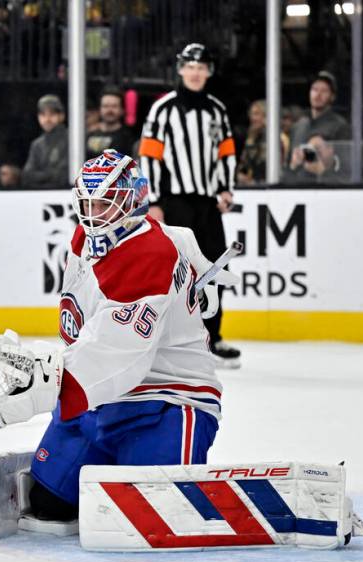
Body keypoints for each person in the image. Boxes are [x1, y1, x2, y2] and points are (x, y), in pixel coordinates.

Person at [0, 150, 223, 520]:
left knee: (148, 517)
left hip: (165, 400)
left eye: (105, 204)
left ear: (134, 202)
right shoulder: (87, 238)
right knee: (48, 505)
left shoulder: (149, 255)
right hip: (98, 403)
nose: (93, 214)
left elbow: (117, 353)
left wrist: (37, 391)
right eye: (87, 203)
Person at [138, 43, 240, 368]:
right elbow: (149, 157)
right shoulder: (163, 110)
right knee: (175, 271)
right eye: (190, 67)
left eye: (202, 67)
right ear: (180, 69)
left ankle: (213, 336)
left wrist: (225, 189)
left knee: (214, 267)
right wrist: (154, 201)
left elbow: (226, 153)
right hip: (175, 202)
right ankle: (169, 340)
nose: (196, 73)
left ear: (208, 71)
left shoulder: (217, 110)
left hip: (208, 204)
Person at [286, 71, 350, 178]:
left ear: (332, 96)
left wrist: (325, 169)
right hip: (297, 189)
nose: (318, 94)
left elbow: (346, 169)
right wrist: (293, 165)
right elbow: (288, 167)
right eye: (314, 89)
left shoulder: (340, 126)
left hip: (325, 189)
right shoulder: (298, 126)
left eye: (324, 91)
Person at [236, 99, 289, 186]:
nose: (252, 118)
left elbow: (281, 170)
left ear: (266, 116)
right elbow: (244, 166)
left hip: (274, 187)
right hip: (254, 188)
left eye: (256, 114)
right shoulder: (252, 138)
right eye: (251, 114)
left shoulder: (278, 139)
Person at [22, 94, 69, 189]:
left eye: (52, 114)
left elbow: (64, 175)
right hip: (40, 195)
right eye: (43, 115)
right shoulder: (37, 144)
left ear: (62, 116)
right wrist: (49, 175)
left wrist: (41, 176)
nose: (47, 119)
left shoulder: (72, 139)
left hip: (66, 193)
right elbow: (27, 175)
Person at [85, 86, 137, 159]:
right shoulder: (88, 134)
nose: (109, 110)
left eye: (114, 106)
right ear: (99, 109)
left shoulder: (129, 139)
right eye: (105, 106)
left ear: (122, 110)